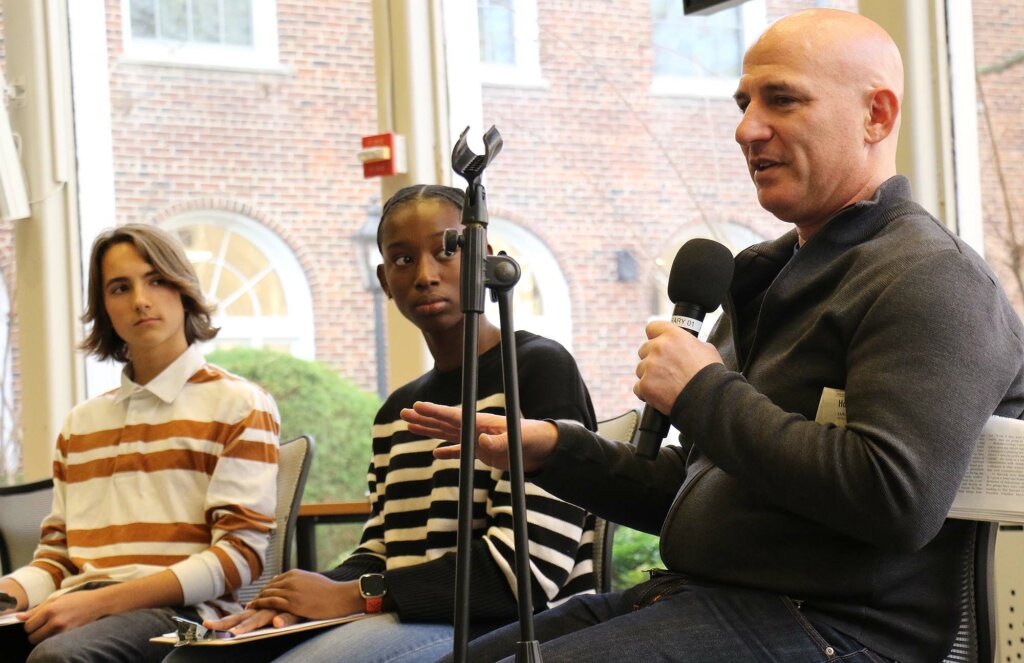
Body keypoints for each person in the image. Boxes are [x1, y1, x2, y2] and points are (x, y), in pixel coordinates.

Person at [402, 9, 1024, 663]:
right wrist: (554, 450)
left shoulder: (931, 279)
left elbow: (894, 498)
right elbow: (706, 483)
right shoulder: (770, 277)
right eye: (744, 103)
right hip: (705, 598)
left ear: (876, 115)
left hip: (836, 631)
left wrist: (702, 388)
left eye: (781, 99)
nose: (747, 128)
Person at [165, 184, 598, 663]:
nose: (426, 275)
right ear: (384, 279)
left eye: (445, 251)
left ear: (484, 260)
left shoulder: (536, 370)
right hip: (409, 614)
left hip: (513, 626)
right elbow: (382, 548)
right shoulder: (397, 411)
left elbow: (526, 573)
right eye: (403, 259)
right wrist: (300, 594)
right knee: (195, 659)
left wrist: (357, 596)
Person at [0, 224, 281, 663]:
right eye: (119, 287)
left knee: (58, 659)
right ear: (104, 308)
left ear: (183, 288)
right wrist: (8, 593)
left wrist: (100, 602)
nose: (140, 300)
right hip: (78, 607)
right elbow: (56, 562)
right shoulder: (81, 425)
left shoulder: (240, 404)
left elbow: (238, 559)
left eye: (155, 280)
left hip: (183, 618)